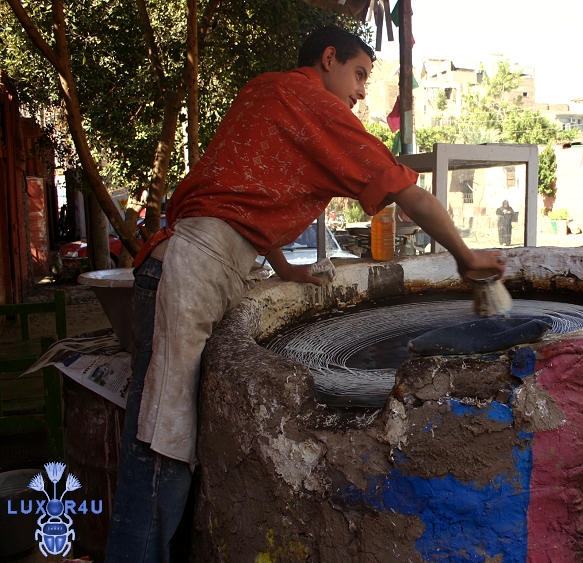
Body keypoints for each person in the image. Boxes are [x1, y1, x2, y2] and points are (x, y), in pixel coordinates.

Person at [105, 25, 506, 562]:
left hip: (186, 259)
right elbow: (409, 193)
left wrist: (280, 266)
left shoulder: (264, 90)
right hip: (188, 270)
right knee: (162, 446)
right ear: (327, 58)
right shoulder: (315, 105)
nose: (362, 90)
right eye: (360, 74)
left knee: (161, 440)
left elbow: (242, 187)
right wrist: (466, 257)